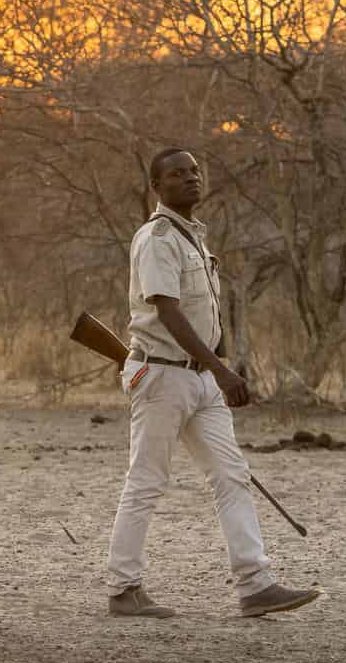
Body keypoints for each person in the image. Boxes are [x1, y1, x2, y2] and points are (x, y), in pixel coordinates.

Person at [104, 148, 319, 618]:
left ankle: (255, 584)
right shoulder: (158, 237)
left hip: (198, 379)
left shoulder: (194, 238)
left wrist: (214, 371)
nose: (190, 179)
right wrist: (222, 370)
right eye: (177, 174)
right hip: (163, 375)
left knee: (232, 475)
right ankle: (124, 588)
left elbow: (203, 317)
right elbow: (168, 310)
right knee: (146, 481)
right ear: (156, 188)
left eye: (195, 171)